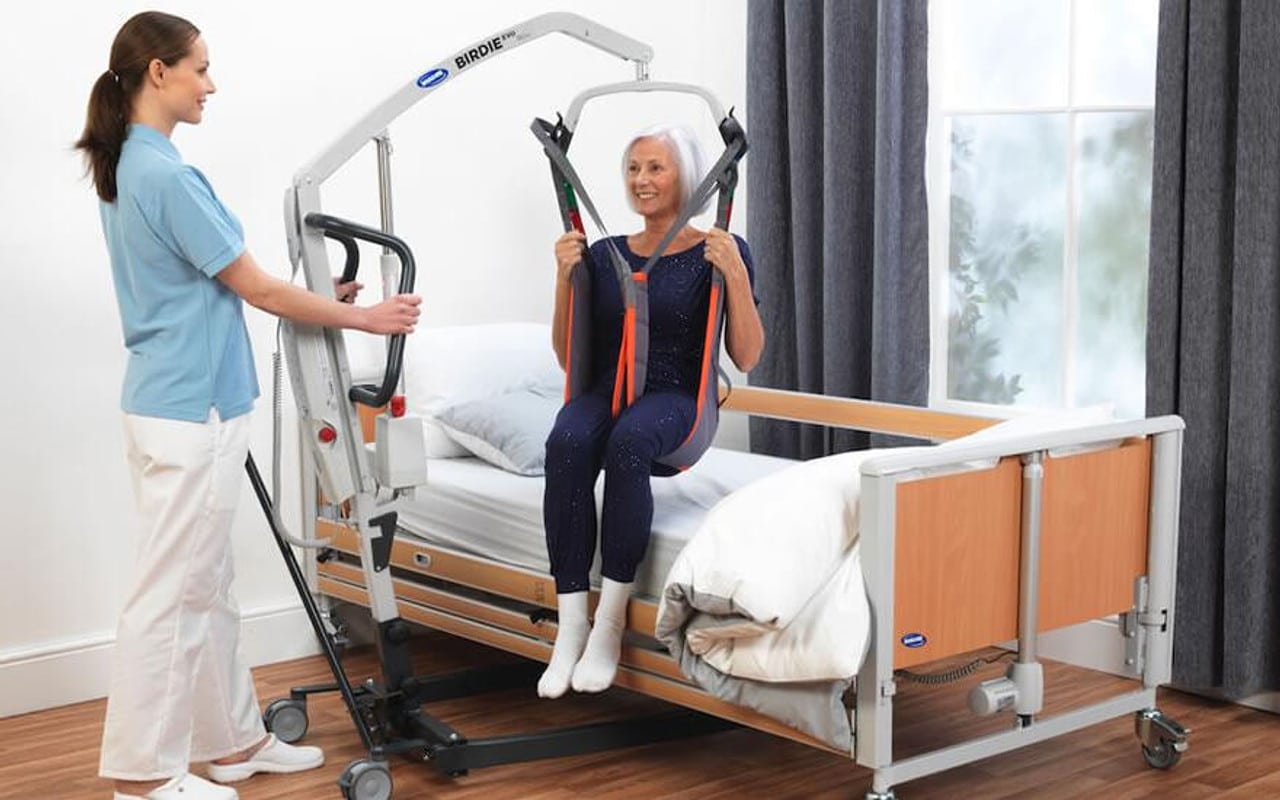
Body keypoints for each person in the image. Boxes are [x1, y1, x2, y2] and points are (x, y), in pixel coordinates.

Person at [75, 12, 421, 800]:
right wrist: (364, 318)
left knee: (205, 584)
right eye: (199, 67)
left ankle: (232, 742)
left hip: (183, 403)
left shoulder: (132, 163)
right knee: (168, 595)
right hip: (189, 410)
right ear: (157, 73)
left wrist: (317, 300)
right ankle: (143, 776)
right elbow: (255, 286)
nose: (211, 83)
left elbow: (210, 283)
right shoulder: (164, 174)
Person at [537, 125, 765, 699]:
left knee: (629, 442)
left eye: (655, 168)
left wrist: (734, 272)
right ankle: (570, 630)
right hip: (606, 388)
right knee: (565, 442)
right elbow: (569, 354)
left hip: (674, 396)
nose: (642, 180)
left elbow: (748, 354)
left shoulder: (721, 249)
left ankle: (608, 625)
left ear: (686, 174)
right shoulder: (603, 252)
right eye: (634, 168)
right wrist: (565, 279)